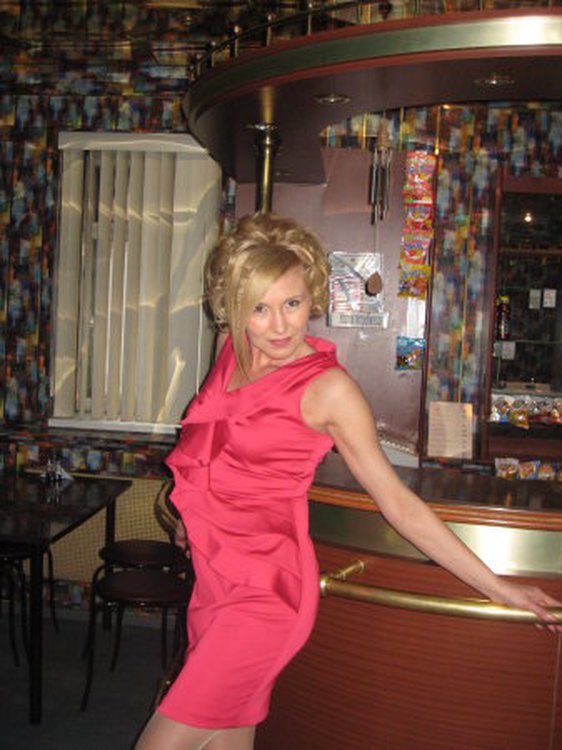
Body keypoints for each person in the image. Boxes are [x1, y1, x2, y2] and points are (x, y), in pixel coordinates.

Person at [136, 213, 560, 750]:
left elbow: (399, 505)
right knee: (226, 737)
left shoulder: (329, 391)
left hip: (267, 595)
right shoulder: (230, 348)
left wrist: (499, 588)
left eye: (292, 303)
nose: (279, 325)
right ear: (233, 307)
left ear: (312, 295)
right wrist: (193, 519)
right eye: (259, 308)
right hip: (215, 581)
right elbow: (214, 449)